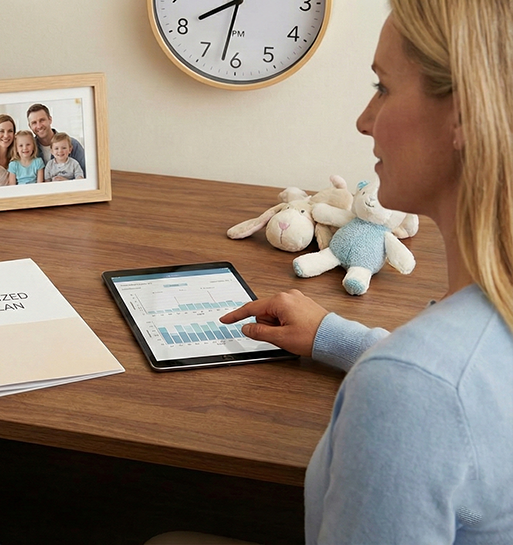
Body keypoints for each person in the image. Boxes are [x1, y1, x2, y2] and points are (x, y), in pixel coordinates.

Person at [215, 1, 513, 543]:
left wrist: (399, 372)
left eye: (383, 87)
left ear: (463, 117)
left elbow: (432, 391)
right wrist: (337, 336)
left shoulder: (410, 390)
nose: (363, 120)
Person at [26, 103, 86, 177]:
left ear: (50, 120)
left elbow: (87, 176)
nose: (39, 126)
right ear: (30, 126)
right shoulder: (27, 149)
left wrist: (66, 182)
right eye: (34, 123)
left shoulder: (73, 144)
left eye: (42, 120)